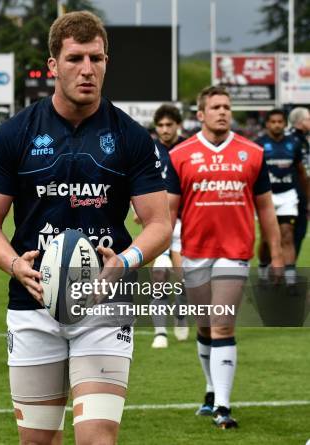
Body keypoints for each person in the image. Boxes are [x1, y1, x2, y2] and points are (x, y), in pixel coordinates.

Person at [0, 11, 171, 445]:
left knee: (97, 438)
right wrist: (13, 265)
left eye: (97, 58)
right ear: (53, 65)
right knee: (37, 441)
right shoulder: (14, 134)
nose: (87, 69)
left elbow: (159, 224)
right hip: (32, 308)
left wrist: (126, 260)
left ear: (106, 62)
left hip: (105, 304)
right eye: (76, 58)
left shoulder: (132, 137)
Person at [166, 86, 283, 429]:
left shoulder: (253, 153)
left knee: (221, 323)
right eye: (215, 107)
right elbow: (169, 212)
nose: (222, 112)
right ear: (200, 114)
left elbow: (266, 208)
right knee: (204, 326)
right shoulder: (180, 155)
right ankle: (210, 389)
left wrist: (276, 255)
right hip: (195, 252)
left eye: (227, 107)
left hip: (234, 253)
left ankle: (223, 407)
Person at [141, 104, 189, 349]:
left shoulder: (189, 148)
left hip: (184, 223)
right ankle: (160, 332)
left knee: (182, 277)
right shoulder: (150, 150)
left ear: (178, 125)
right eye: (160, 125)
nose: (165, 129)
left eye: (169, 125)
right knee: (158, 276)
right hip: (157, 222)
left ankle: (180, 315)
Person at [255, 109, 308, 287]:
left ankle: (290, 281)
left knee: (287, 235)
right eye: (273, 122)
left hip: (288, 195)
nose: (277, 125)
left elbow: (301, 173)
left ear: (285, 124)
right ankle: (263, 270)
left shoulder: (293, 144)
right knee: (266, 238)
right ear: (267, 124)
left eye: (280, 121)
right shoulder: (259, 144)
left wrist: (307, 199)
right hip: (266, 197)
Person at [288, 107, 310, 257]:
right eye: (308, 119)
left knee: (300, 232)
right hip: (292, 192)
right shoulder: (290, 140)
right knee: (289, 233)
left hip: (303, 191)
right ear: (300, 122)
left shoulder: (303, 140)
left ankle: (290, 269)